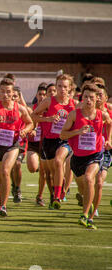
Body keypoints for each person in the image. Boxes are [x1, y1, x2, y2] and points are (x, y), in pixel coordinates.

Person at [60, 83, 111, 230]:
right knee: (84, 188)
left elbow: (109, 124)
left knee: (90, 178)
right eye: (86, 97)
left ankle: (87, 217)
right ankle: (88, 205)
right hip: (78, 157)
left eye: (91, 97)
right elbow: (63, 134)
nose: (88, 100)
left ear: (97, 100)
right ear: (82, 98)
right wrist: (78, 132)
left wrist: (108, 140)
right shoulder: (74, 114)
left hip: (95, 154)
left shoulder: (102, 114)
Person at [0, 78, 33, 217]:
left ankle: (3, 206)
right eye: (2, 91)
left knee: (5, 171)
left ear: (13, 93)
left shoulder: (20, 108)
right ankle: (3, 191)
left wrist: (25, 130)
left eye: (8, 92)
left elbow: (30, 123)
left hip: (13, 145)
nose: (5, 95)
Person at [31, 74, 76, 209]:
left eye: (65, 87)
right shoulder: (49, 101)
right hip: (48, 141)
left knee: (58, 161)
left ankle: (58, 196)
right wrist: (48, 119)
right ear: (56, 87)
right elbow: (33, 116)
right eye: (60, 86)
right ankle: (54, 195)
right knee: (50, 174)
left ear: (70, 88)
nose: (62, 89)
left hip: (64, 140)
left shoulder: (74, 105)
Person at [92, 83, 112, 217]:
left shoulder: (109, 113)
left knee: (99, 181)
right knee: (87, 180)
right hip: (89, 151)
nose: (98, 98)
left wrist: (109, 140)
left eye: (101, 95)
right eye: (96, 95)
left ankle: (93, 210)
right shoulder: (86, 111)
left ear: (106, 98)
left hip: (105, 150)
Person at [27, 84, 48, 206]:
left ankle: (39, 196)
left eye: (45, 95)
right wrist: (31, 129)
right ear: (36, 95)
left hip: (46, 142)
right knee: (32, 167)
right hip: (34, 143)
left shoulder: (51, 110)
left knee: (44, 173)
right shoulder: (32, 109)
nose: (42, 97)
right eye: (40, 94)